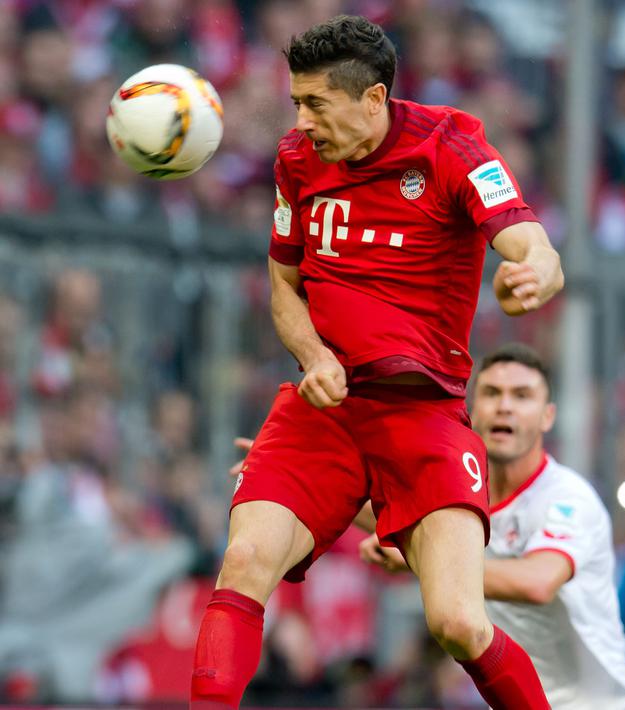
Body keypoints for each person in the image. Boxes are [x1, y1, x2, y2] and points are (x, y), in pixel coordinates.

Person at [190, 16, 562, 709]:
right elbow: (283, 286)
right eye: (296, 102)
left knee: (457, 623)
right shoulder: (297, 160)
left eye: (315, 104)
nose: (300, 122)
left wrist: (535, 271)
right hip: (322, 413)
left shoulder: (451, 145)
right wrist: (311, 355)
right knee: (241, 563)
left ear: (373, 99)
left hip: (422, 416)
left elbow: (528, 241)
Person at [359, 343, 625, 709]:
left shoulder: (569, 497)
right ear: (471, 410)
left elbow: (537, 582)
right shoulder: (462, 494)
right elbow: (383, 507)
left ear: (547, 417)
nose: (505, 406)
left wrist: (429, 561)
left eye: (522, 395)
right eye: (492, 393)